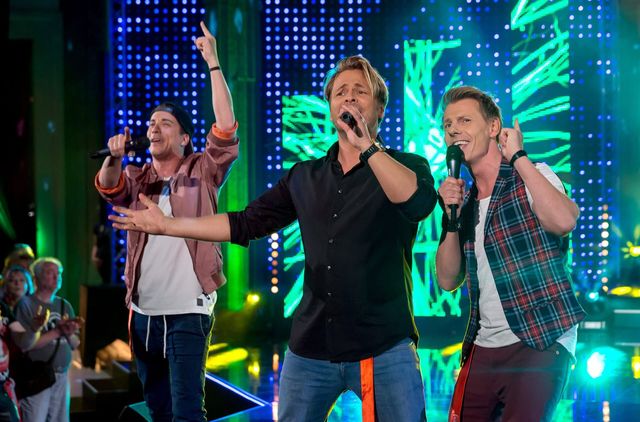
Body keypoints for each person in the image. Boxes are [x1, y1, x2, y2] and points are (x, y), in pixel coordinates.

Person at [109, 55, 438, 421]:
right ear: (330, 108)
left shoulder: (408, 166)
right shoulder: (305, 176)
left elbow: (418, 203)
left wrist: (368, 148)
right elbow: (245, 222)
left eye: (360, 91)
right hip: (312, 347)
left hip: (384, 345)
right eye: (340, 92)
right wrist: (169, 226)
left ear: (379, 109)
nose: (348, 97)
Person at [94, 21, 238, 422]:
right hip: (143, 312)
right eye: (151, 123)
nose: (154, 128)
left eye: (165, 123)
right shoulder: (139, 177)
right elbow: (109, 187)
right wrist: (114, 157)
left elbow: (226, 128)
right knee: (157, 409)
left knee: (187, 411)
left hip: (188, 311)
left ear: (185, 138)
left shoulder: (202, 170)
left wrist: (213, 63)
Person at [434, 86, 586, 421]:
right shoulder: (465, 203)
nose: (453, 129)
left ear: (493, 127)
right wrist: (450, 217)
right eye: (447, 124)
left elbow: (564, 221)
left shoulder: (532, 175)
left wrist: (518, 157)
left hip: (540, 337)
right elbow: (447, 279)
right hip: (483, 345)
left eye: (464, 120)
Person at [12, 257, 81, 422]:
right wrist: (58, 331)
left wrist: (68, 333)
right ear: (36, 277)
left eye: (59, 273)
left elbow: (75, 344)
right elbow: (25, 345)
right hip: (37, 377)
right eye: (51, 273)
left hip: (61, 376)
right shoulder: (26, 304)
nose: (57, 277)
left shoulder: (64, 305)